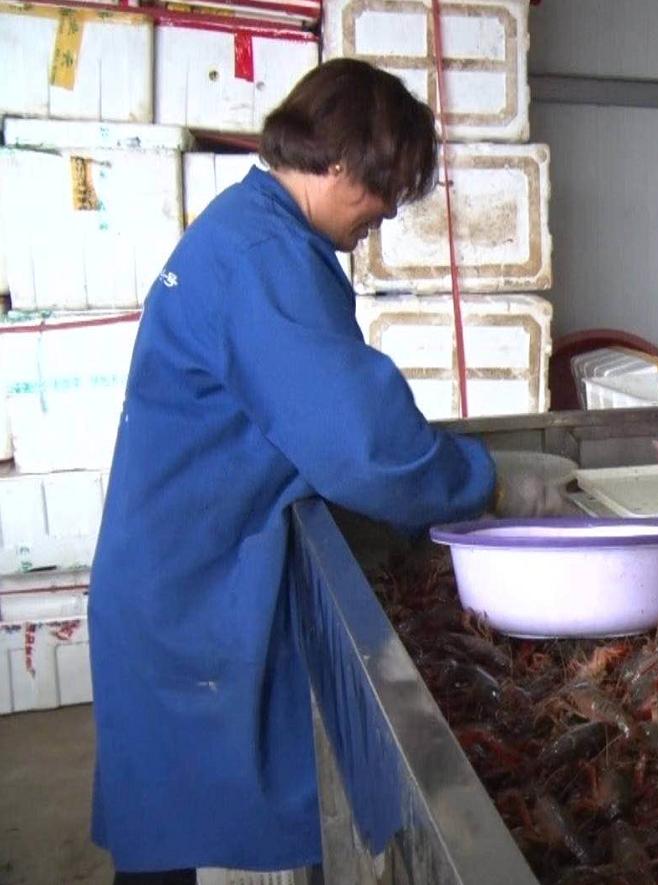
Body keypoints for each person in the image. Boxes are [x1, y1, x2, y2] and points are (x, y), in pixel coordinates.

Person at [88, 59, 558, 883]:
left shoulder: (252, 228)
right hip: (190, 587)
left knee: (176, 813)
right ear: (338, 161)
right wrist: (486, 484)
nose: (380, 216)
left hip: (181, 563)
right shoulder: (263, 254)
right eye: (383, 190)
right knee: (179, 825)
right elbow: (362, 443)